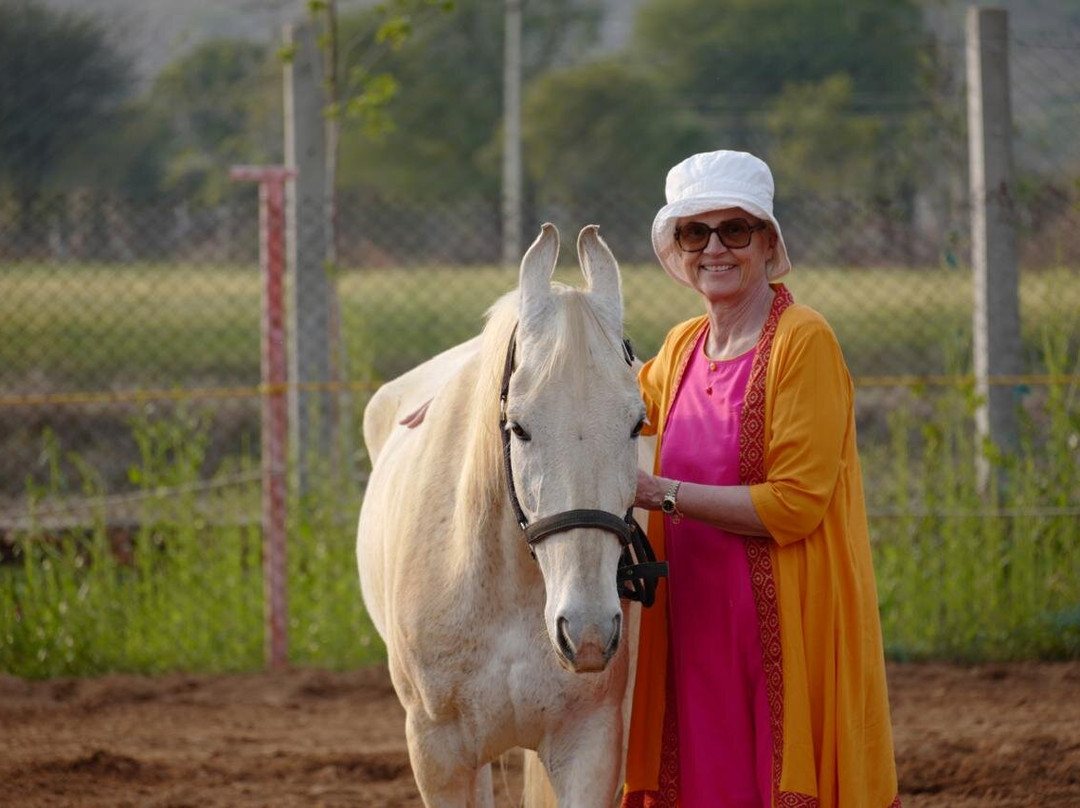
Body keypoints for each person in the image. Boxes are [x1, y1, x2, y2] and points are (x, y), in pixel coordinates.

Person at [622, 150, 901, 808]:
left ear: (769, 241)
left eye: (735, 230)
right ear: (678, 250)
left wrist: (658, 494)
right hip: (689, 623)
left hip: (778, 631)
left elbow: (796, 506)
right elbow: (601, 407)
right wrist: (482, 398)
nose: (714, 248)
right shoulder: (681, 346)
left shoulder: (804, 342)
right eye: (695, 232)